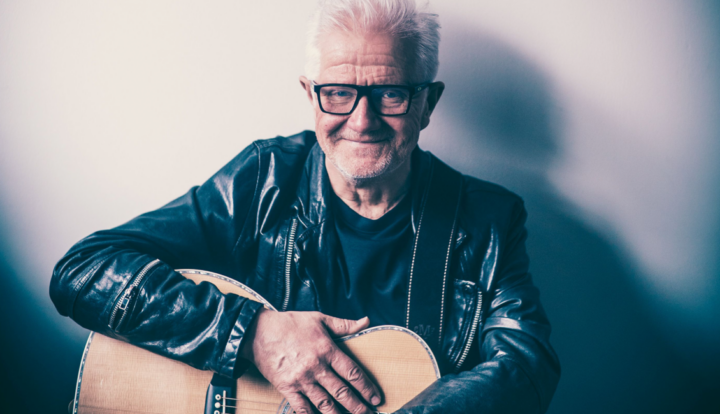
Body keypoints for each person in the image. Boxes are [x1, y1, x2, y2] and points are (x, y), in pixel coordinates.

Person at [50, 0, 560, 413]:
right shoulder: (264, 180)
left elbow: (526, 366)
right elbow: (83, 271)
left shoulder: (488, 221)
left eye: (389, 95)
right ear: (310, 95)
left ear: (427, 103)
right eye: (337, 93)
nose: (362, 121)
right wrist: (250, 335)